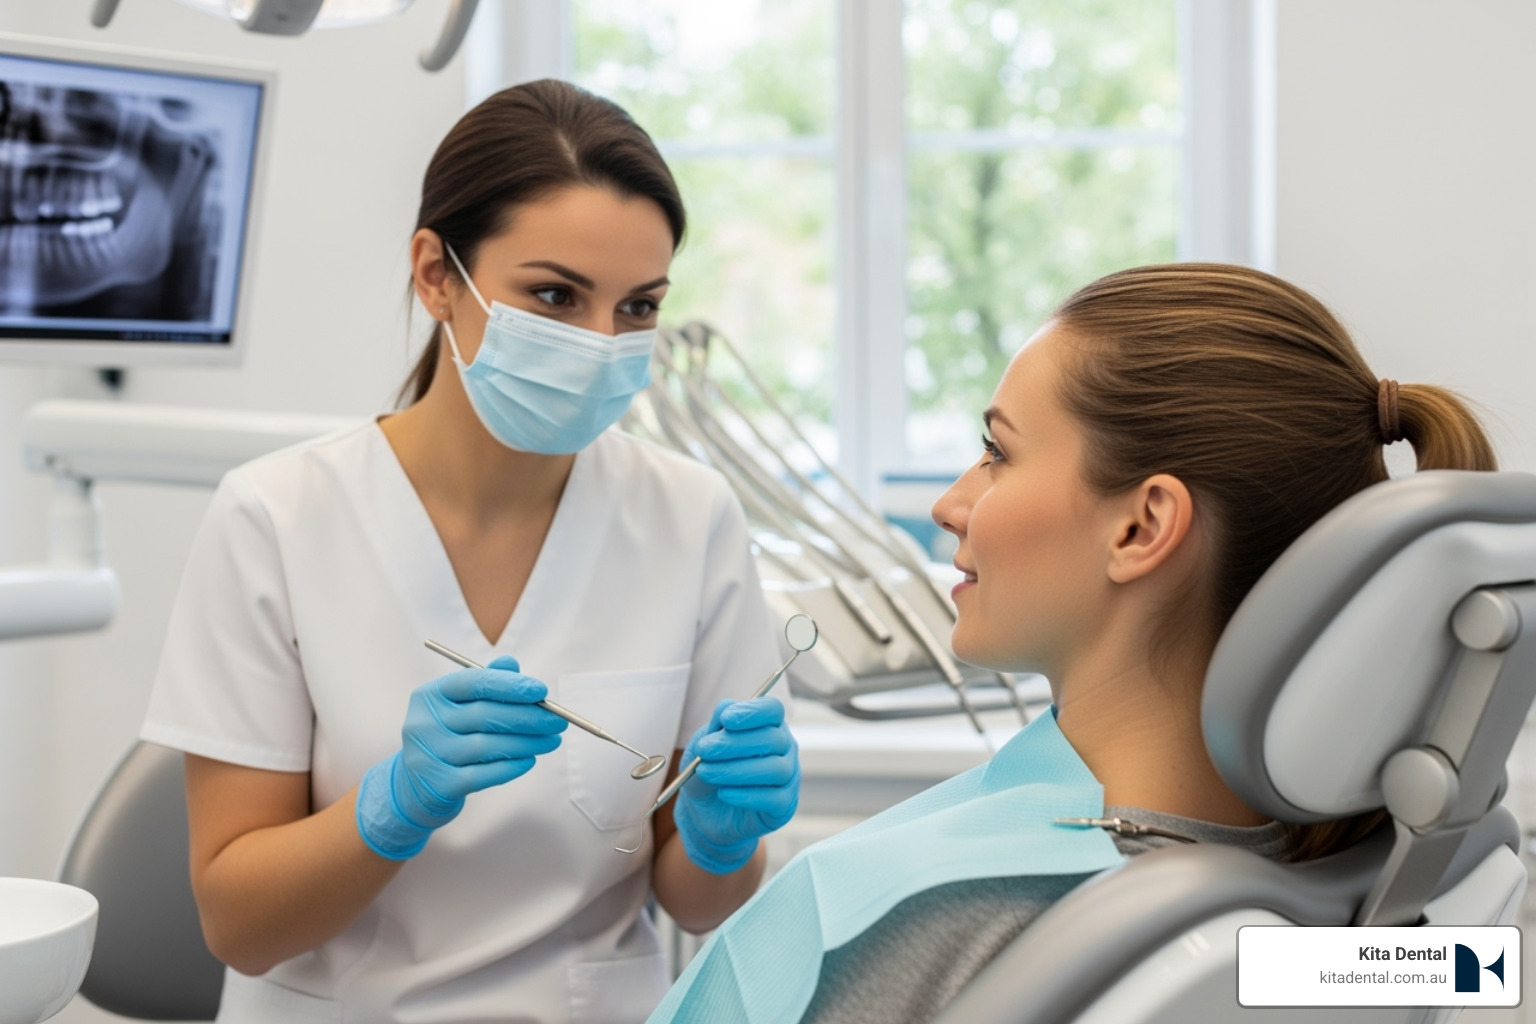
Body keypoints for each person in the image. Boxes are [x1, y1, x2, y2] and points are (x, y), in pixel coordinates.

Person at [645, 262, 1498, 1024]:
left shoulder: (908, 913)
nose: (950, 503)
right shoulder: (1378, 905)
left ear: (1141, 527)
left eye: (997, 452)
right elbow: (1475, 975)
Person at [140, 79, 800, 1024]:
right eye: (554, 295)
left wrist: (723, 843)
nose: (600, 343)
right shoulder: (275, 517)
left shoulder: (690, 517)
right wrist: (392, 808)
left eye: (637, 307)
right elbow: (239, 927)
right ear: (436, 275)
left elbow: (697, 902)